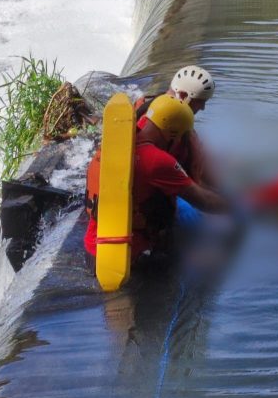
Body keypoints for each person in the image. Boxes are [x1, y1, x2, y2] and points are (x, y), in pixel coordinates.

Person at [84, 94, 228, 263]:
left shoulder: (112, 146)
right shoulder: (157, 160)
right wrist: (238, 207)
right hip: (131, 255)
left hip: (94, 247)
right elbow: (204, 201)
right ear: (173, 133)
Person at [136, 64, 217, 188]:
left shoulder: (152, 106)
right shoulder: (165, 128)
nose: (203, 108)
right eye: (200, 102)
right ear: (184, 96)